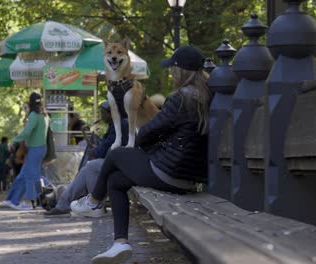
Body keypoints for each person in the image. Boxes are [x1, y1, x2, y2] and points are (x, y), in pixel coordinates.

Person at [71, 46, 211, 264]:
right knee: (116, 181)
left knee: (117, 154)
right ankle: (120, 244)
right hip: (188, 177)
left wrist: (140, 143)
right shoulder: (204, 96)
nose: (171, 73)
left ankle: (93, 201)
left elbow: (147, 132)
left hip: (170, 172)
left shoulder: (181, 99)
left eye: (173, 69)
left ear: (181, 71)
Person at [45, 101, 129, 216]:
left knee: (91, 166)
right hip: (116, 162)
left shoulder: (119, 125)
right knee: (86, 169)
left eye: (103, 113)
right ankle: (62, 205)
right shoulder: (115, 125)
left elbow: (106, 148)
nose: (101, 116)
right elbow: (107, 145)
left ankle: (95, 204)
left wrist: (94, 151)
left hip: (121, 164)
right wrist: (96, 149)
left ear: (111, 113)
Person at [3, 92, 50, 210]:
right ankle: (12, 200)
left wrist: (14, 140)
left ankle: (35, 201)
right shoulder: (45, 115)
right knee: (25, 175)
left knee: (32, 176)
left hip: (35, 149)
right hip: (40, 149)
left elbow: (27, 132)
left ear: (31, 102)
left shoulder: (34, 115)